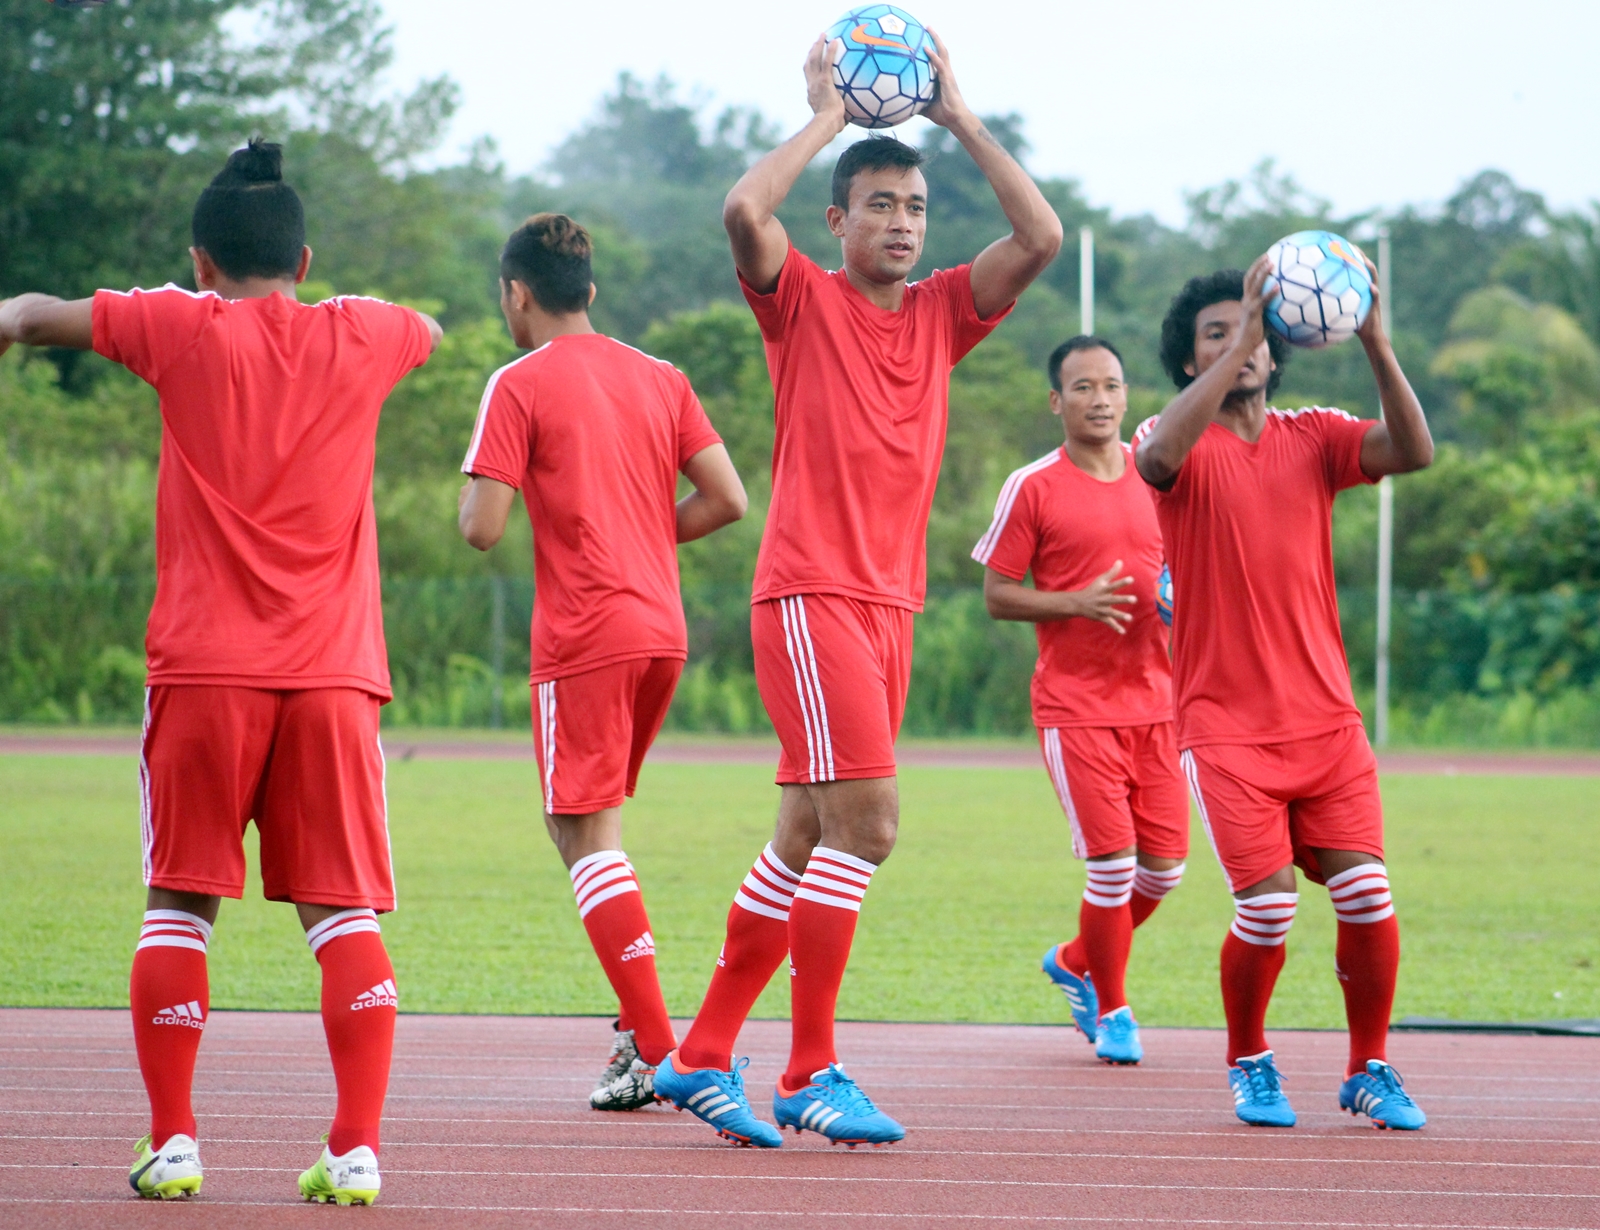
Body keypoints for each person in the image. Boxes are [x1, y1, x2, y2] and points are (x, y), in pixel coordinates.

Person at [0, 140, 442, 1202]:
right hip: (336, 676)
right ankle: (357, 1150)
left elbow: (22, 315)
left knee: (178, 904)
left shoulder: (179, 323)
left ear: (200, 261)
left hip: (204, 669)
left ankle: (175, 1143)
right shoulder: (368, 333)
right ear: (306, 256)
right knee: (343, 916)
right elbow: (423, 328)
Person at [652, 31, 1062, 1148]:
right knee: (868, 828)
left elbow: (1041, 236)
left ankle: (697, 1055)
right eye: (879, 205)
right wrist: (830, 115)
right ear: (838, 222)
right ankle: (808, 1069)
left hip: (888, 606)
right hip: (813, 593)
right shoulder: (800, 301)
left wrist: (961, 119)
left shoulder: (940, 312)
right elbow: (745, 213)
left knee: (801, 838)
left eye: (914, 207)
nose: (901, 222)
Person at [457, 213, 747, 1113]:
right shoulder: (661, 376)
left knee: (583, 836)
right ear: (592, 288)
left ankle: (669, 1053)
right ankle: (636, 1040)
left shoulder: (519, 381)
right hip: (660, 630)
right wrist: (636, 535)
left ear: (517, 293)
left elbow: (481, 528)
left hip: (584, 634)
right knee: (587, 829)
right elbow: (728, 498)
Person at [1134, 257, 1433, 1130]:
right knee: (1266, 908)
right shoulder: (1175, 435)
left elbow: (1413, 449)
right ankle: (1250, 1061)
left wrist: (1376, 338)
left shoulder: (1317, 436)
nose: (1242, 343)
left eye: (1253, 328)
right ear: (1191, 364)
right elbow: (1153, 459)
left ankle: (1369, 1066)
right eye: (1217, 335)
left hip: (1327, 725)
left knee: (1369, 896)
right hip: (1225, 729)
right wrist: (1242, 346)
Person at [972, 335, 1188, 1066]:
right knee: (1113, 866)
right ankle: (1116, 1009)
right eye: (1083, 388)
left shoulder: (1161, 474)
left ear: (1128, 396)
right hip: (1076, 708)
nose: (1100, 399)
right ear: (1056, 401)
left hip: (1161, 706)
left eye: (1112, 386)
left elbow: (1190, 573)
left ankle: (1074, 959)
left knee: (1165, 871)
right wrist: (1076, 602)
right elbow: (998, 595)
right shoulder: (1032, 485)